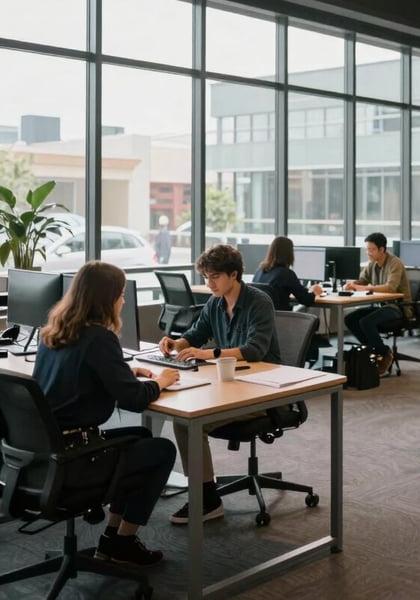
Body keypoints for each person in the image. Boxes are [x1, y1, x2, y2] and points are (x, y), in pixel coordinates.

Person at [33, 261, 179, 566]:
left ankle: (112, 538)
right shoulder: (100, 338)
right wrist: (163, 381)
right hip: (76, 460)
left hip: (45, 452)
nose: (123, 301)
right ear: (107, 298)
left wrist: (122, 370)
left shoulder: (52, 333)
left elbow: (75, 374)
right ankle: (123, 541)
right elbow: (135, 399)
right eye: (121, 294)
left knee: (140, 435)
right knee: (162, 450)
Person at [159, 244, 280, 524]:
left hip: (264, 390)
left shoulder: (258, 302)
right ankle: (206, 496)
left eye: (214, 277)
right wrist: (175, 344)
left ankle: (205, 500)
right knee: (184, 419)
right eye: (205, 277)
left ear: (234, 274)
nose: (209, 283)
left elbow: (255, 349)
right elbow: (196, 334)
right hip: (229, 385)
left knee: (191, 421)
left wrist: (209, 354)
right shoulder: (215, 303)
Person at [344, 232, 411, 375]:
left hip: (398, 307)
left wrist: (366, 287)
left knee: (366, 322)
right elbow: (362, 280)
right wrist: (352, 284)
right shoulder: (372, 264)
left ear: (382, 249)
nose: (368, 253)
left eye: (372, 249)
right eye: (367, 249)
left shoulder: (395, 263)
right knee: (350, 319)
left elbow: (390, 287)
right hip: (380, 305)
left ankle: (384, 353)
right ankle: (372, 351)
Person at [252, 235, 323, 310]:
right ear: (289, 254)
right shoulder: (286, 274)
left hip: (261, 317)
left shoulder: (259, 271)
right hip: (280, 318)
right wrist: (315, 292)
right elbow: (306, 300)